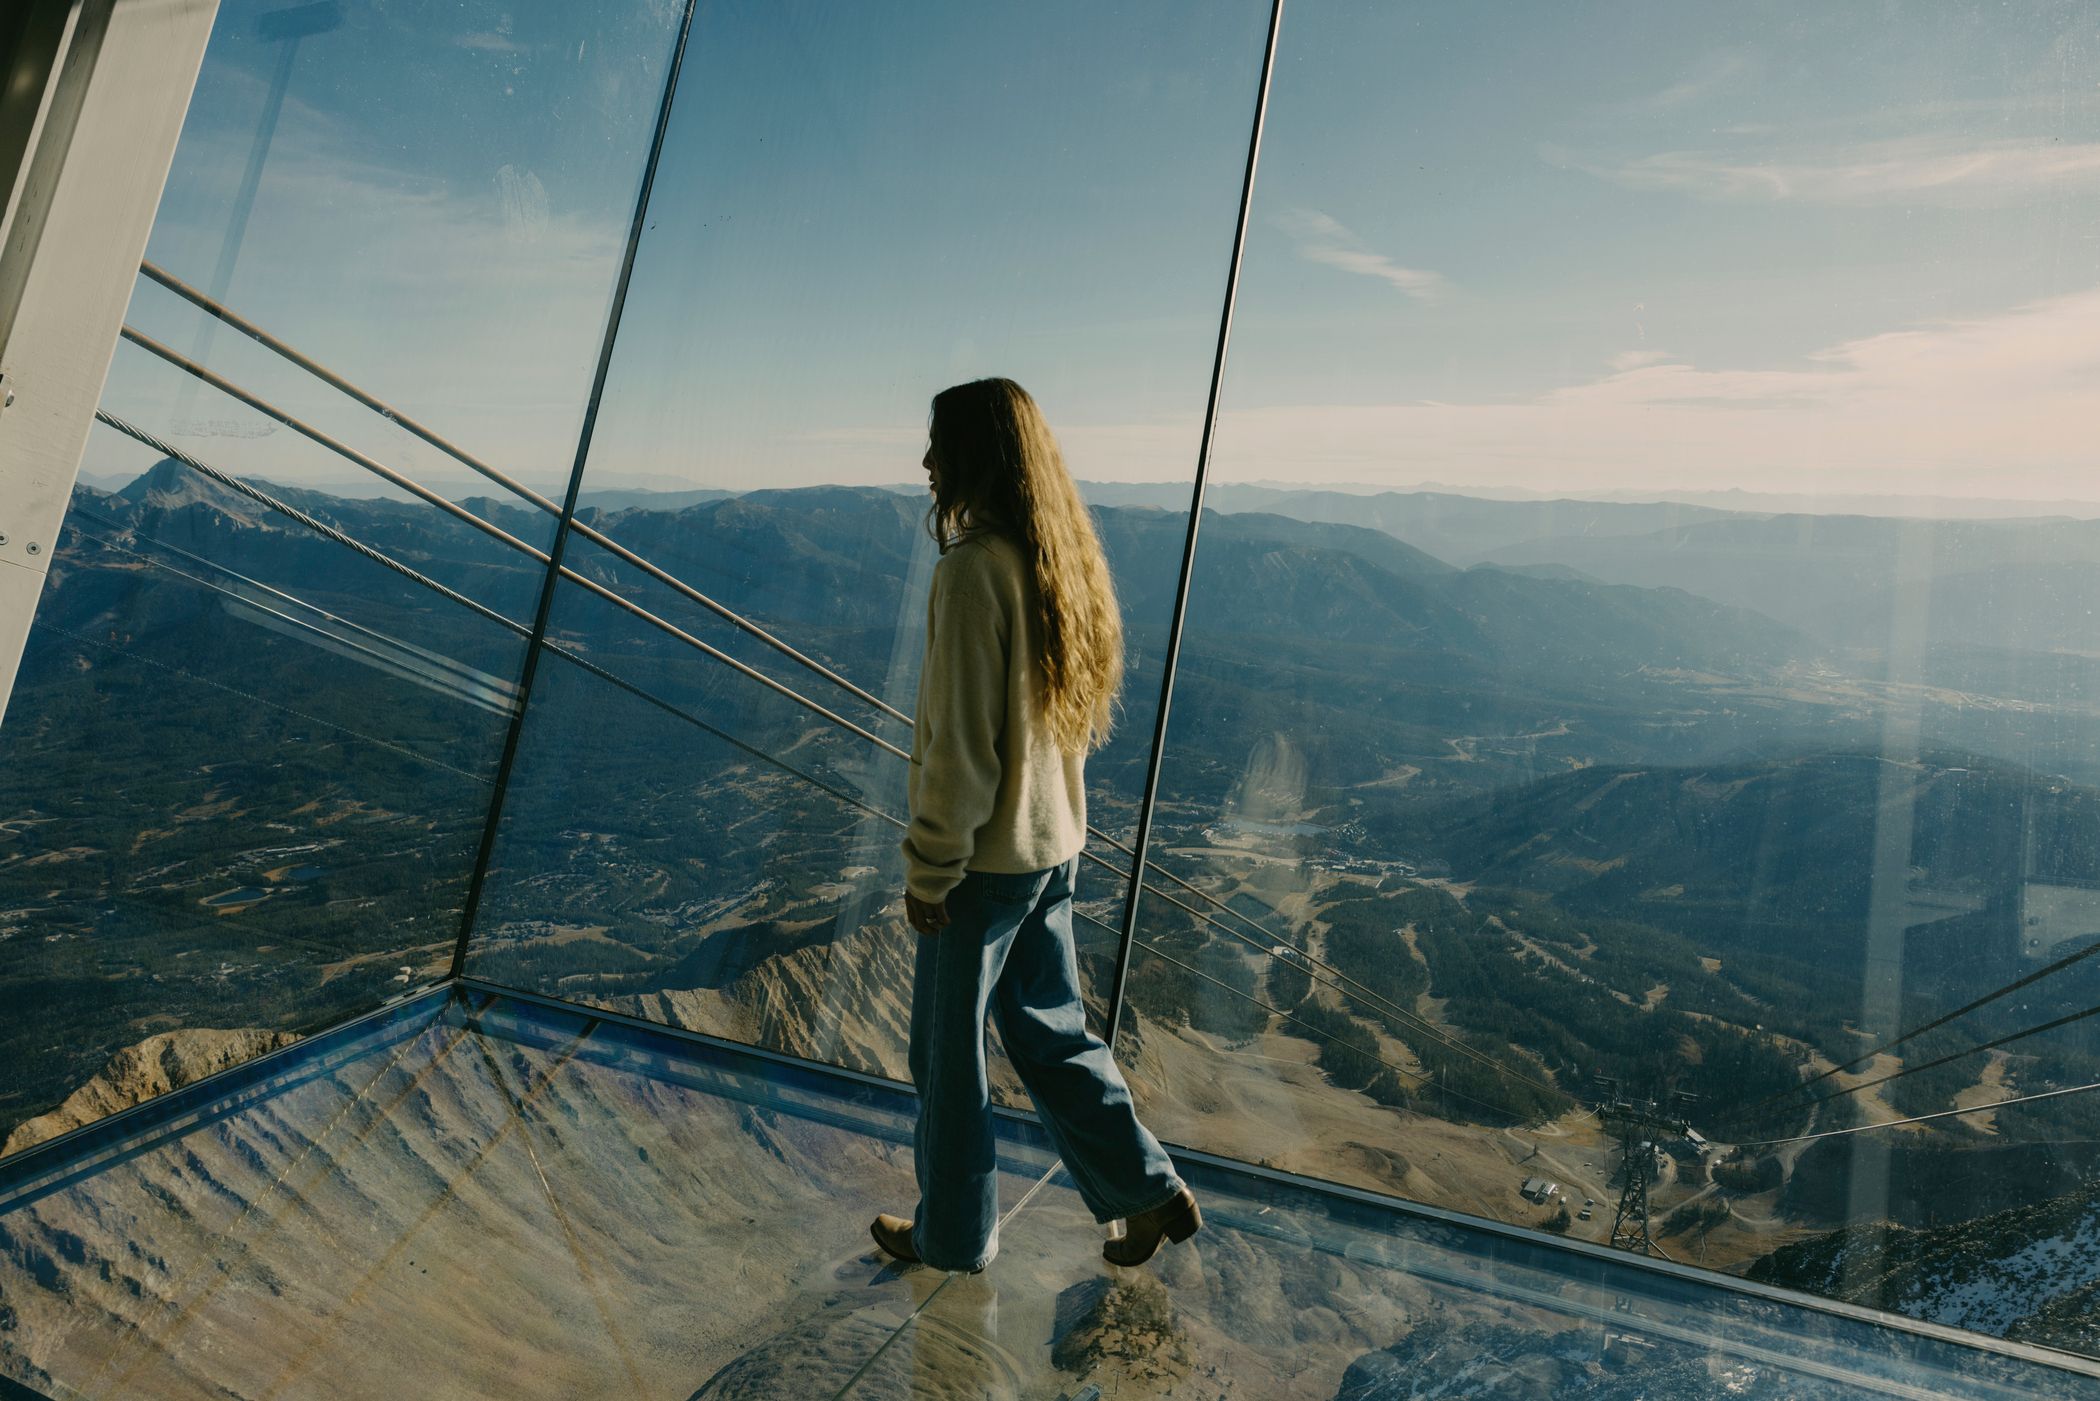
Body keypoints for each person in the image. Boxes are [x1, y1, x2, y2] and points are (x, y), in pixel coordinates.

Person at [870, 377, 1200, 1274]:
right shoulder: (1057, 562)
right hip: (1051, 849)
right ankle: (1146, 1188)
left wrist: (930, 867)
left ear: (976, 454)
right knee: (1051, 1030)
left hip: (981, 862)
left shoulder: (973, 570)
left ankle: (952, 1237)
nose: (928, 462)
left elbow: (959, 749)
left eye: (939, 444)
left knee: (945, 1062)